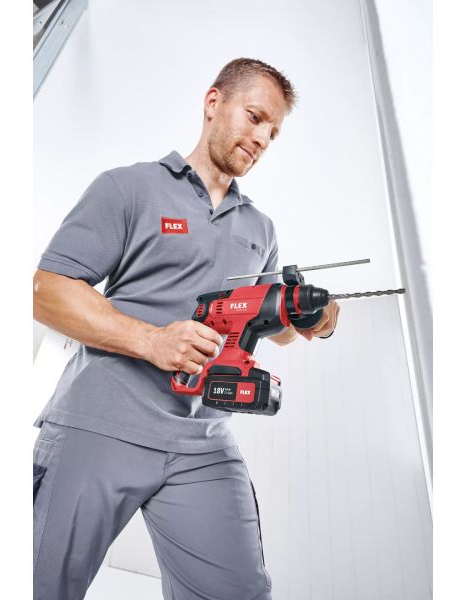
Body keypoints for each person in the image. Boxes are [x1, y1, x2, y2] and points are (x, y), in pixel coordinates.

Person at [32, 57, 340, 600]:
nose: (262, 138)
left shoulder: (260, 228)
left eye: (272, 132)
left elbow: (276, 326)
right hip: (99, 423)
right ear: (213, 102)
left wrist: (312, 317)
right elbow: (47, 291)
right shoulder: (128, 187)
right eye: (255, 117)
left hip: (203, 440)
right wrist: (152, 341)